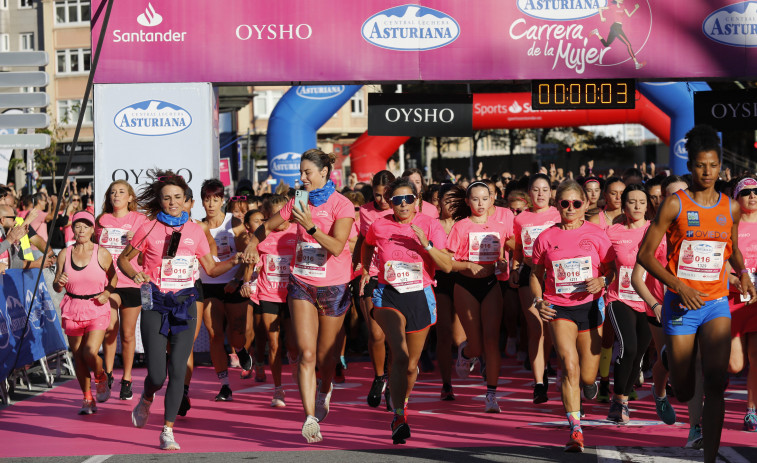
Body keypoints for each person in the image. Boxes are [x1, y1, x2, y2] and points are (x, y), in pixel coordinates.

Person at [637, 125, 756, 463]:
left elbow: (731, 249)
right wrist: (679, 286)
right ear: (691, 166)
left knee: (717, 382)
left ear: (721, 167)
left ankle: (710, 458)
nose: (707, 172)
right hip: (680, 303)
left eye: (714, 165)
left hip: (716, 302)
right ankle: (669, 361)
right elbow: (645, 256)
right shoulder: (675, 205)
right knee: (686, 387)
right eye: (701, 165)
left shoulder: (731, 208)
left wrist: (744, 274)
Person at [119, 171, 240, 451]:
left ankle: (168, 430)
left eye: (177, 198)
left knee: (177, 370)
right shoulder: (148, 227)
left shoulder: (196, 231)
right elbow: (125, 260)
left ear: (186, 201)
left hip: (185, 304)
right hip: (155, 303)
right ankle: (147, 397)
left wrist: (236, 259)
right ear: (160, 202)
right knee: (158, 375)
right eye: (166, 198)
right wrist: (136, 275)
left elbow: (210, 268)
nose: (172, 203)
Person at [242, 149, 355, 444]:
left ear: (323, 173)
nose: (302, 178)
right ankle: (309, 418)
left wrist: (310, 226)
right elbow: (266, 226)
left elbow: (337, 246)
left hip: (334, 285)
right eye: (301, 172)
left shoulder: (342, 205)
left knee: (325, 356)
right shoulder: (297, 201)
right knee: (305, 353)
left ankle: (325, 386)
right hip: (302, 282)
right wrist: (254, 243)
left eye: (307, 173)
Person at [361, 177, 452, 444]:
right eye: (397, 200)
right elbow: (366, 244)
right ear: (390, 203)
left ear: (417, 201)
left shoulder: (430, 225)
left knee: (411, 365)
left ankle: (402, 400)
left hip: (419, 294)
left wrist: (426, 244)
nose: (403, 204)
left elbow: (446, 266)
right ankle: (399, 416)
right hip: (388, 294)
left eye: (408, 199)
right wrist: (366, 270)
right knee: (399, 355)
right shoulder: (379, 225)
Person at [531, 180, 615, 453]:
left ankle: (588, 385)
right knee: (569, 365)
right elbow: (535, 274)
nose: (570, 208)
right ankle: (575, 430)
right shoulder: (546, 237)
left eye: (576, 203)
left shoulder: (597, 234)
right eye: (564, 203)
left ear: (586, 205)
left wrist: (602, 280)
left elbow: (612, 268)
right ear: (557, 205)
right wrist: (539, 300)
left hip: (590, 307)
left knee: (588, 376)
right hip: (559, 307)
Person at [446, 181, 513, 413]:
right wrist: (467, 266)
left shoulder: (500, 226)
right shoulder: (460, 227)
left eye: (485, 198)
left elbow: (508, 250)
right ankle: (466, 352)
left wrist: (504, 262)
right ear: (467, 201)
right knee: (477, 345)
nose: (480, 203)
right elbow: (447, 263)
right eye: (475, 199)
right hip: (465, 285)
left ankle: (491, 395)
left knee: (492, 341)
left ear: (492, 199)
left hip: (491, 284)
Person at [603, 184, 665, 423]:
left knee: (639, 354)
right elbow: (603, 262)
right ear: (624, 204)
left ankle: (624, 399)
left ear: (647, 205)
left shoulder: (656, 230)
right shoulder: (612, 232)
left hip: (649, 301)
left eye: (642, 202)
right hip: (619, 298)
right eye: (632, 202)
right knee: (628, 347)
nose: (637, 206)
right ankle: (618, 400)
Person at [52, 211, 117, 415]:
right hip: (72, 307)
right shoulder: (65, 253)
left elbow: (114, 277)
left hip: (96, 306)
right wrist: (58, 283)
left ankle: (101, 376)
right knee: (78, 357)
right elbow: (56, 285)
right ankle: (87, 398)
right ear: (72, 229)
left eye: (85, 226)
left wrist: (107, 292)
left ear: (92, 230)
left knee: (90, 351)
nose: (81, 230)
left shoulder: (101, 253)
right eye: (77, 226)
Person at [198, 179, 252, 401]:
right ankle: (225, 385)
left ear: (222, 200)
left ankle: (239, 350)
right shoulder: (198, 226)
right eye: (207, 199)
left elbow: (247, 257)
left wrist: (238, 279)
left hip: (233, 283)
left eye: (215, 199)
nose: (211, 204)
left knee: (237, 334)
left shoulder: (234, 223)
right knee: (214, 335)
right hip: (209, 285)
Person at [510, 174, 561, 404]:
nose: (540, 194)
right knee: (536, 328)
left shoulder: (559, 214)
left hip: (555, 278)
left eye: (544, 189)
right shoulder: (521, 219)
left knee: (550, 329)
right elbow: (519, 248)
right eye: (536, 190)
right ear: (529, 194)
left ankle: (550, 366)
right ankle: (539, 383)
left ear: (551, 192)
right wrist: (514, 265)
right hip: (529, 276)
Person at [96, 180, 149, 401]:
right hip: (109, 283)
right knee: (110, 328)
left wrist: (136, 241)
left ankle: (126, 380)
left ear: (130, 198)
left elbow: (148, 253)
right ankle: (108, 374)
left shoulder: (140, 220)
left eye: (121, 192)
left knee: (128, 335)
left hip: (133, 282)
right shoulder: (101, 220)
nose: (116, 195)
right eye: (112, 192)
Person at [247, 194, 298, 407]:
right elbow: (251, 265)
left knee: (294, 343)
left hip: (295, 294)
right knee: (274, 343)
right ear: (267, 216)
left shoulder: (297, 231)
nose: (281, 219)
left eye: (284, 214)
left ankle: (295, 363)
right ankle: (278, 389)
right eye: (275, 215)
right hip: (270, 294)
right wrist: (246, 282)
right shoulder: (261, 237)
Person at [354, 170, 395, 408]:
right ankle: (379, 377)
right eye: (377, 195)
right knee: (376, 334)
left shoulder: (403, 207)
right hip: (371, 274)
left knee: (394, 337)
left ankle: (393, 382)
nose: (381, 200)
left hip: (398, 277)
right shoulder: (366, 211)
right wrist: (358, 265)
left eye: (385, 195)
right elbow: (363, 238)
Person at [589, 176, 626, 401]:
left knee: (624, 336)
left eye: (623, 193)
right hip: (601, 282)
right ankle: (602, 381)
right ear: (605, 196)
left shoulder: (633, 217)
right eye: (613, 193)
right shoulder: (596, 220)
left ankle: (628, 379)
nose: (619, 197)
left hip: (627, 283)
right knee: (605, 336)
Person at [727, 177, 757, 432]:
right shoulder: (730, 226)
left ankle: (751, 410)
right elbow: (721, 259)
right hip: (733, 301)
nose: (752, 196)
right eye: (746, 192)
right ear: (737, 197)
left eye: (756, 192)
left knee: (756, 358)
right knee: (735, 365)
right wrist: (732, 278)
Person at [434, 183, 466, 400]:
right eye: (448, 200)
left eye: (456, 200)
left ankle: (468, 356)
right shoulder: (431, 224)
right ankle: (446, 384)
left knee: (461, 336)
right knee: (444, 334)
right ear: (439, 202)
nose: (452, 204)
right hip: (440, 279)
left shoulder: (466, 224)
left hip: (464, 277)